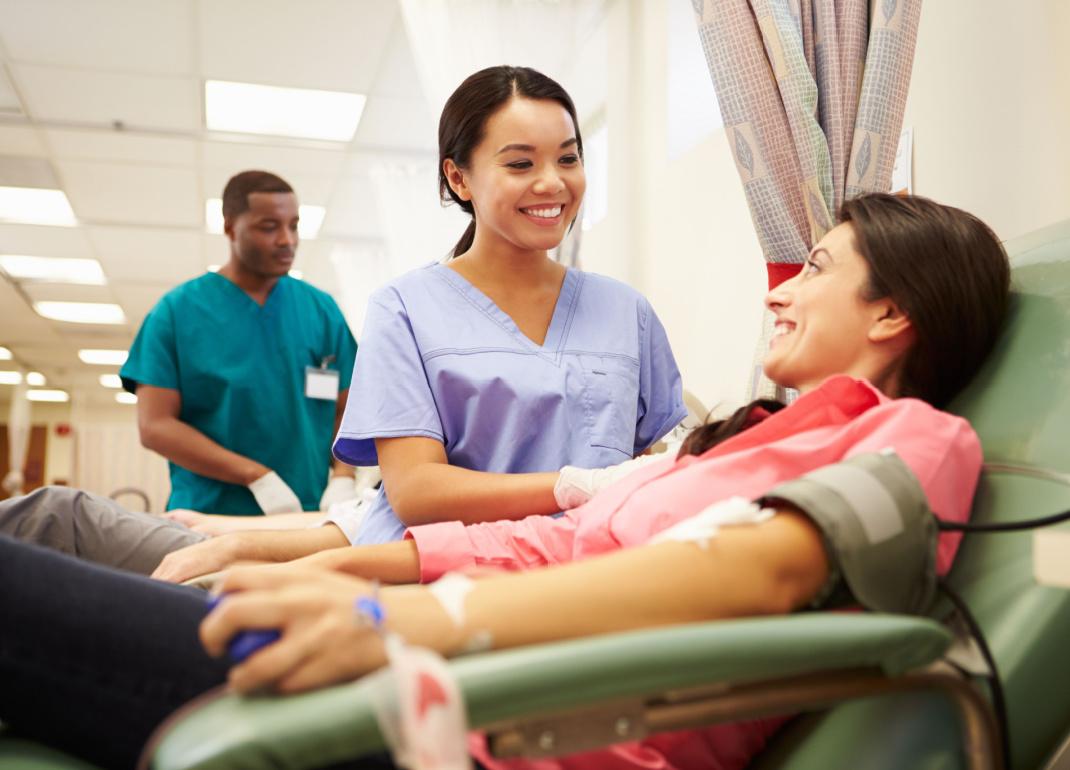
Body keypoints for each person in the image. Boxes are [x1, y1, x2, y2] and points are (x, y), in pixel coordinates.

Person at [0, 192, 1011, 770]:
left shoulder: (918, 441)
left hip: (494, 725)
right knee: (45, 532)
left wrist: (407, 622)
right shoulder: (735, 440)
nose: (783, 290)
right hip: (443, 665)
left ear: (890, 314)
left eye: (819, 267)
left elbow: (755, 573)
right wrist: (350, 569)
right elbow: (538, 540)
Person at [120, 170, 360, 517]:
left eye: (293, 225)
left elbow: (348, 408)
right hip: (207, 514)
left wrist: (342, 475)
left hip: (306, 516)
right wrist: (255, 476)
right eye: (269, 227)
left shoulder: (320, 311)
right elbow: (155, 426)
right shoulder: (177, 312)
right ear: (231, 227)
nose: (286, 240)